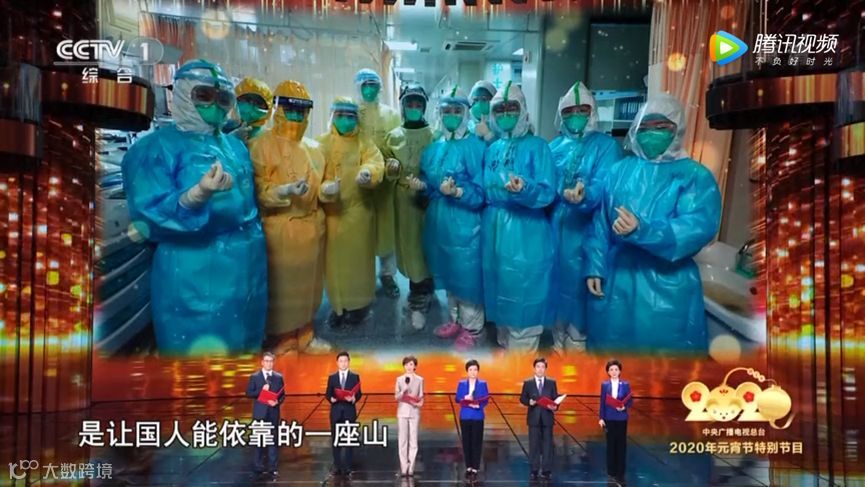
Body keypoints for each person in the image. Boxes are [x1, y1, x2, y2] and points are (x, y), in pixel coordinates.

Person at [121, 59, 267, 356]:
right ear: (183, 94)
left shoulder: (236, 147)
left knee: (245, 340)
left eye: (223, 98)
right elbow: (148, 213)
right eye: (204, 95)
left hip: (246, 265)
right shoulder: (154, 148)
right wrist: (194, 197)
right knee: (198, 353)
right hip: (194, 269)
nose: (215, 104)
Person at [584, 94, 722, 354]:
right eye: (645, 127)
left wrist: (644, 230)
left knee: (662, 359)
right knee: (613, 354)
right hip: (618, 278)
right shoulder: (619, 171)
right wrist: (595, 266)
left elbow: (697, 227)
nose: (651, 133)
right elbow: (600, 224)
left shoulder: (695, 176)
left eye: (661, 127)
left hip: (667, 285)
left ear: (677, 129)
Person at [249, 80, 331, 354]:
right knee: (283, 289)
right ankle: (282, 340)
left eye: (301, 111)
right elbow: (257, 189)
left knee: (309, 287)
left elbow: (322, 185)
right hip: (280, 229)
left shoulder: (314, 149)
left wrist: (328, 190)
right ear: (278, 110)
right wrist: (282, 190)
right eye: (290, 110)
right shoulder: (260, 145)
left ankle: (306, 334)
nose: (296, 116)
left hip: (312, 227)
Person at [482, 81, 556, 352]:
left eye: (511, 108)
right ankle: (506, 346)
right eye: (499, 109)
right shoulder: (493, 148)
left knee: (524, 292)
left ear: (522, 109)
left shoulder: (538, 147)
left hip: (526, 233)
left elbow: (547, 192)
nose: (505, 114)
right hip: (494, 229)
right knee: (500, 289)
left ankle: (522, 359)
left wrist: (525, 188)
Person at [549, 82, 622, 354]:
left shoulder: (606, 147)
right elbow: (545, 186)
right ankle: (557, 348)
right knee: (556, 296)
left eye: (582, 110)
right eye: (569, 111)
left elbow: (607, 190)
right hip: (554, 231)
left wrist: (585, 196)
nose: (575, 115)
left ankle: (575, 354)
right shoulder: (554, 146)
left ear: (592, 111)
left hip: (587, 235)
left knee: (581, 303)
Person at [417, 86, 486, 351]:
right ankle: (456, 320)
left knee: (466, 276)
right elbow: (430, 180)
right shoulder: (435, 148)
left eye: (457, 110)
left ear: (466, 113)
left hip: (466, 225)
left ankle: (473, 328)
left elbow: (481, 192)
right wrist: (422, 186)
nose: (451, 115)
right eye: (446, 110)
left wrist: (458, 192)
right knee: (448, 274)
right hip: (440, 224)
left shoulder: (475, 147)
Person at [317, 97, 385, 328]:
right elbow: (312, 173)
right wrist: (325, 189)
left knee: (359, 264)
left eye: (350, 116)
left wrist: (368, 173)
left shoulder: (364, 142)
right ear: (332, 116)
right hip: (333, 214)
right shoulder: (322, 143)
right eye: (340, 115)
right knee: (334, 266)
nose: (345, 120)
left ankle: (359, 306)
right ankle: (338, 307)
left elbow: (375, 162)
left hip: (359, 213)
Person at [383, 83, 436, 330]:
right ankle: (419, 289)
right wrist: (391, 168)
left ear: (424, 107)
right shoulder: (394, 136)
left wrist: (427, 186)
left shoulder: (433, 135)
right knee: (409, 245)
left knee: (426, 245)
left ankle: (422, 292)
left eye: (418, 104)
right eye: (409, 103)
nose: (414, 107)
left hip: (427, 196)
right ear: (403, 106)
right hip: (403, 199)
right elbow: (386, 163)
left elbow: (441, 165)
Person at [354, 68, 402, 298]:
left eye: (373, 85)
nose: (369, 89)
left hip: (385, 184)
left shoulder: (391, 114)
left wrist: (394, 164)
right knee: (360, 230)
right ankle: (362, 276)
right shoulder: (351, 113)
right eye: (365, 85)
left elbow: (398, 144)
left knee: (386, 228)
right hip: (359, 181)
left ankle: (388, 274)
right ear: (358, 87)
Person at [245, 351, 285, 481]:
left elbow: (282, 394)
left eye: (271, 361)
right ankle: (257, 467)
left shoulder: (278, 377)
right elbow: (249, 393)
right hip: (260, 413)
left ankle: (273, 468)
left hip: (273, 412)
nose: (269, 363)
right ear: (262, 362)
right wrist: (261, 391)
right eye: (266, 361)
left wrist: (277, 401)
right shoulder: (255, 377)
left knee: (273, 441)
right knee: (259, 441)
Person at [519, 357, 558, 481]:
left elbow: (555, 399)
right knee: (534, 445)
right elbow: (522, 398)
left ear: (545, 369)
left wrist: (555, 406)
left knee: (547, 445)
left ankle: (546, 470)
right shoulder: (528, 383)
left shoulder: (551, 382)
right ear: (534, 368)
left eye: (542, 367)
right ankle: (534, 470)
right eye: (538, 367)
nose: (540, 369)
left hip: (547, 417)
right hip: (534, 418)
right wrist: (528, 402)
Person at [325, 351, 362, 478]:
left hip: (349, 411)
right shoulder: (332, 377)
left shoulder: (355, 377)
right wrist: (331, 399)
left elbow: (359, 394)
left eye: (345, 361)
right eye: (341, 361)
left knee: (349, 439)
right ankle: (337, 466)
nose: (343, 363)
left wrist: (353, 399)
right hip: (336, 411)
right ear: (337, 363)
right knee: (336, 439)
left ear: (349, 362)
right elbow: (328, 394)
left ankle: (348, 466)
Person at [598, 359, 632, 483]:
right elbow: (602, 402)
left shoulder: (625, 384)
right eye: (611, 369)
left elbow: (630, 401)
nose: (614, 372)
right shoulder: (605, 385)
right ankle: (611, 471)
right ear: (608, 372)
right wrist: (601, 418)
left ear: (620, 371)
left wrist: (624, 406)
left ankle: (620, 471)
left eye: (616, 369)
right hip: (609, 418)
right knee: (611, 445)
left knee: (621, 445)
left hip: (621, 418)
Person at [455, 359, 489, 480]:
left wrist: (478, 405)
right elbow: (457, 398)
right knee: (466, 442)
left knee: (476, 442)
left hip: (477, 416)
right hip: (465, 415)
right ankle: (468, 466)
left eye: (475, 370)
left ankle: (475, 467)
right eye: (470, 370)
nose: (473, 372)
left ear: (478, 371)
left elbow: (486, 399)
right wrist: (465, 398)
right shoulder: (462, 384)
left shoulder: (483, 384)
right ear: (467, 371)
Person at [394, 355, 425, 477]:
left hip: (414, 412)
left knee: (413, 440)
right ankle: (403, 467)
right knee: (402, 440)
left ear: (415, 366)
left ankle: (411, 467)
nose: (409, 367)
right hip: (402, 412)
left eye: (411, 364)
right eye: (406, 364)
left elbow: (421, 397)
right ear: (404, 366)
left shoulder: (420, 380)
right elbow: (397, 397)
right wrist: (404, 391)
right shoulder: (399, 379)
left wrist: (418, 403)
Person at [233, 77, 273, 144]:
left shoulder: (265, 138)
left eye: (258, 103)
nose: (250, 107)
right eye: (246, 100)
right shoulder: (225, 125)